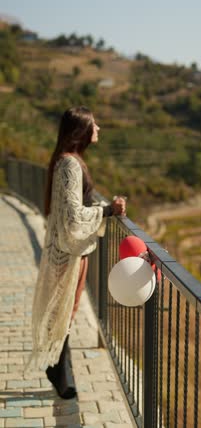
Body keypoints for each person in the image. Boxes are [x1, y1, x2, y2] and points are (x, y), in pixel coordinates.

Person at [26, 106, 126, 398]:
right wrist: (108, 210)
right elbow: (72, 215)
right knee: (63, 312)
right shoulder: (70, 165)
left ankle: (59, 369)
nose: (99, 130)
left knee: (65, 312)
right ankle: (60, 373)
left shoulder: (67, 161)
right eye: (94, 125)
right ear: (81, 131)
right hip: (68, 254)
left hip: (71, 251)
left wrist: (104, 209)